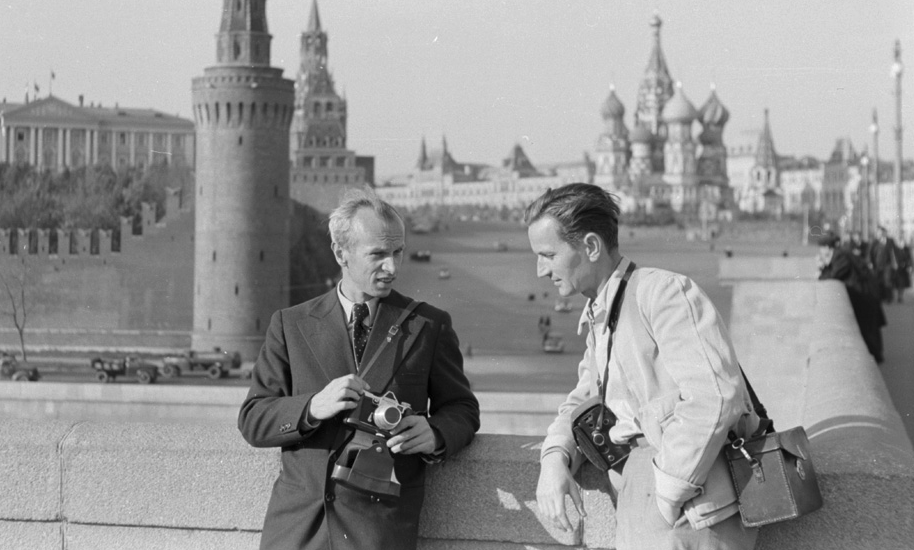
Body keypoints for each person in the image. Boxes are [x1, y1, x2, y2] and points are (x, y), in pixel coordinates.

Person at [238, 187, 480, 550]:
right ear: (341, 253)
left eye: (398, 252)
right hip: (299, 531)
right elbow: (253, 419)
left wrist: (434, 434)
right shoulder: (290, 324)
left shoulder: (429, 325)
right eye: (378, 255)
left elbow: (462, 409)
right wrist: (311, 408)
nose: (393, 267)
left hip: (379, 533)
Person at [526, 183, 761, 550]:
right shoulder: (603, 311)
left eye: (547, 254)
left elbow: (715, 397)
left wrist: (665, 495)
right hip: (648, 497)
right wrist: (555, 457)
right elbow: (582, 401)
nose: (541, 270)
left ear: (590, 246)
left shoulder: (662, 293)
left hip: (690, 510)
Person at [817, 232, 886, 363]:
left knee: (867, 328)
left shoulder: (839, 255)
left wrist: (822, 270)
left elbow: (836, 273)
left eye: (821, 248)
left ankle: (877, 357)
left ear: (826, 247)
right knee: (870, 327)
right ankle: (877, 356)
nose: (820, 251)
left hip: (864, 295)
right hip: (866, 293)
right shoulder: (840, 253)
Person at [868, 226, 899, 304]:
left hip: (887, 264)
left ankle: (889, 298)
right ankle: (880, 297)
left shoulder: (890, 241)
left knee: (887, 280)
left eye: (882, 233)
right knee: (878, 281)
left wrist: (895, 263)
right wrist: (870, 262)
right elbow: (869, 253)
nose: (880, 234)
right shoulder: (874, 242)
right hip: (877, 265)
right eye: (879, 233)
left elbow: (894, 252)